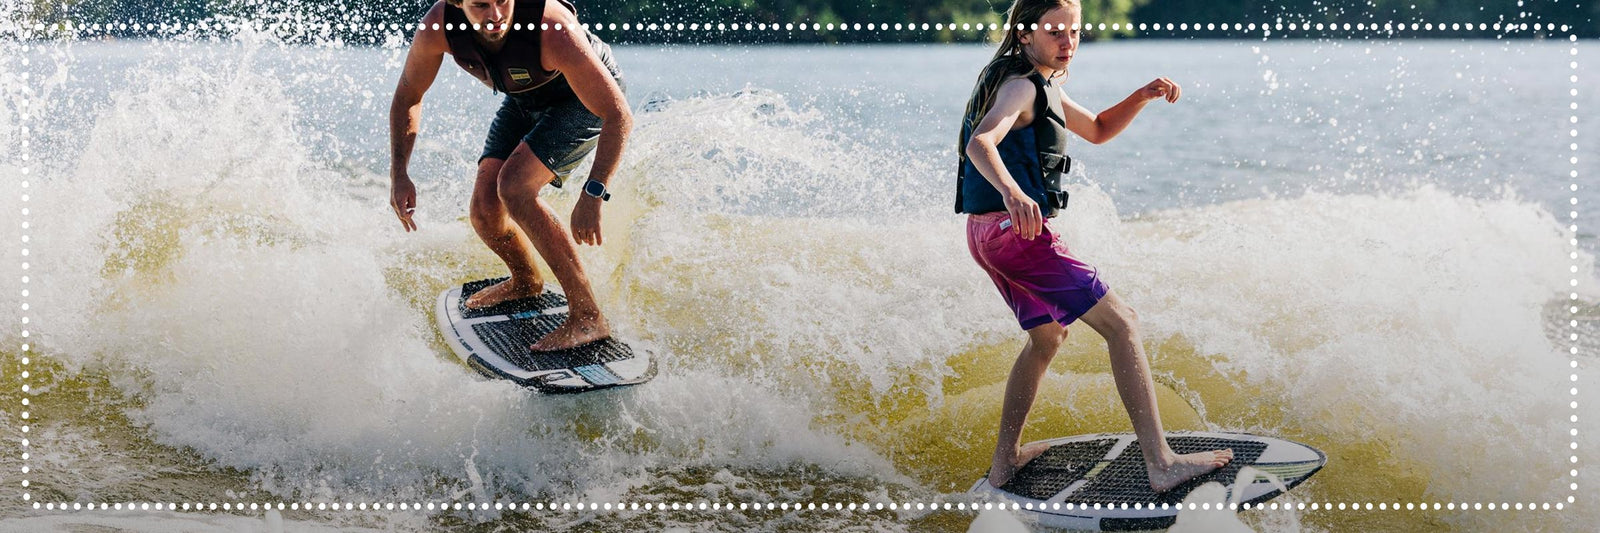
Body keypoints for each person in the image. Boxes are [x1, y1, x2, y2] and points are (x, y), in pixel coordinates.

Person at [957, 0, 1234, 491]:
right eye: (1054, 31)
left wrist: (1141, 95)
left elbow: (1101, 129)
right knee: (1122, 323)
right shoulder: (1021, 86)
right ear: (1025, 35)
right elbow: (981, 142)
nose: (1067, 42)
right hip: (1013, 231)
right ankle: (1161, 463)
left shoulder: (1036, 84)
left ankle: (1005, 462)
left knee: (1048, 337)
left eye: (1075, 32)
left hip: (986, 236)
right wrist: (1015, 192)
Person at [389, 0, 631, 352]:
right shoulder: (440, 26)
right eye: (480, 5)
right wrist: (400, 173)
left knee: (515, 187)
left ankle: (588, 317)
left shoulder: (552, 28)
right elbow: (408, 95)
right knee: (485, 212)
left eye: (503, 0)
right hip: (524, 99)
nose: (496, 15)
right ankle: (526, 280)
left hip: (582, 100)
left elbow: (618, 115)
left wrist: (593, 193)